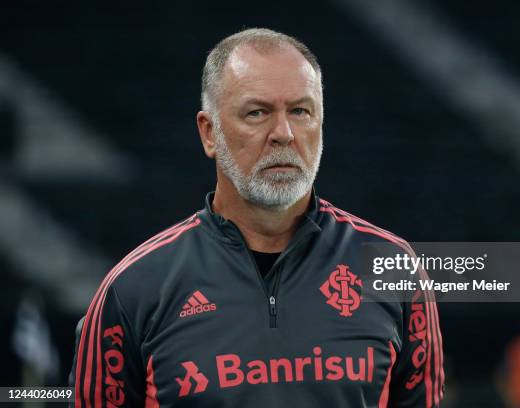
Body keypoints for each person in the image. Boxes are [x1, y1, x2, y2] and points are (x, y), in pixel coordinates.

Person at [69, 28, 444, 407]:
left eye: (300, 111)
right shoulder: (134, 288)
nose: (283, 134)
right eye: (257, 112)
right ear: (209, 132)